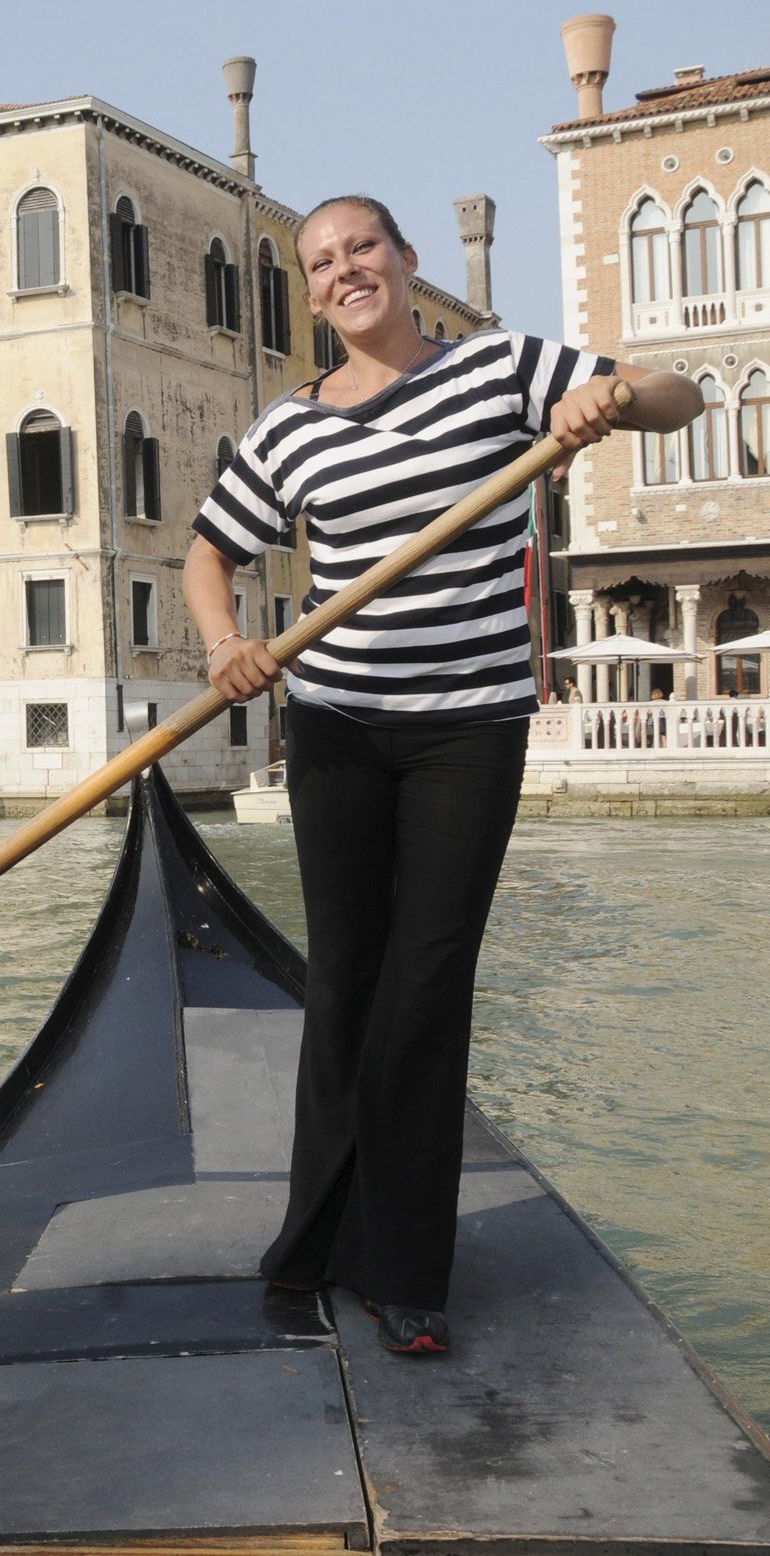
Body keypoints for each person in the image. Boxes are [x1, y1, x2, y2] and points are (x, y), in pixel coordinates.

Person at [183, 195, 700, 1356]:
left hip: (467, 729)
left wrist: (606, 396)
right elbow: (209, 551)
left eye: (361, 247)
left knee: (425, 987)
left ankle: (404, 1268)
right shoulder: (291, 430)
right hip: (336, 731)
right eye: (320, 263)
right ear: (309, 294)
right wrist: (226, 645)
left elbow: (684, 398)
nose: (342, 271)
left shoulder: (498, 369)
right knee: (345, 985)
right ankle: (309, 1241)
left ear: (407, 260)